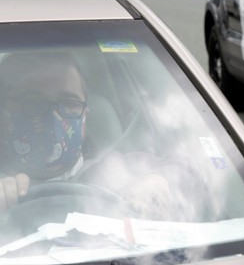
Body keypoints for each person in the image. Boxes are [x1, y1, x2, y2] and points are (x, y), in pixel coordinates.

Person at [0, 51, 187, 216]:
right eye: (33, 102)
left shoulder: (114, 169)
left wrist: (160, 181)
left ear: (85, 115)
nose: (54, 115)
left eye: (69, 103)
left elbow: (199, 171)